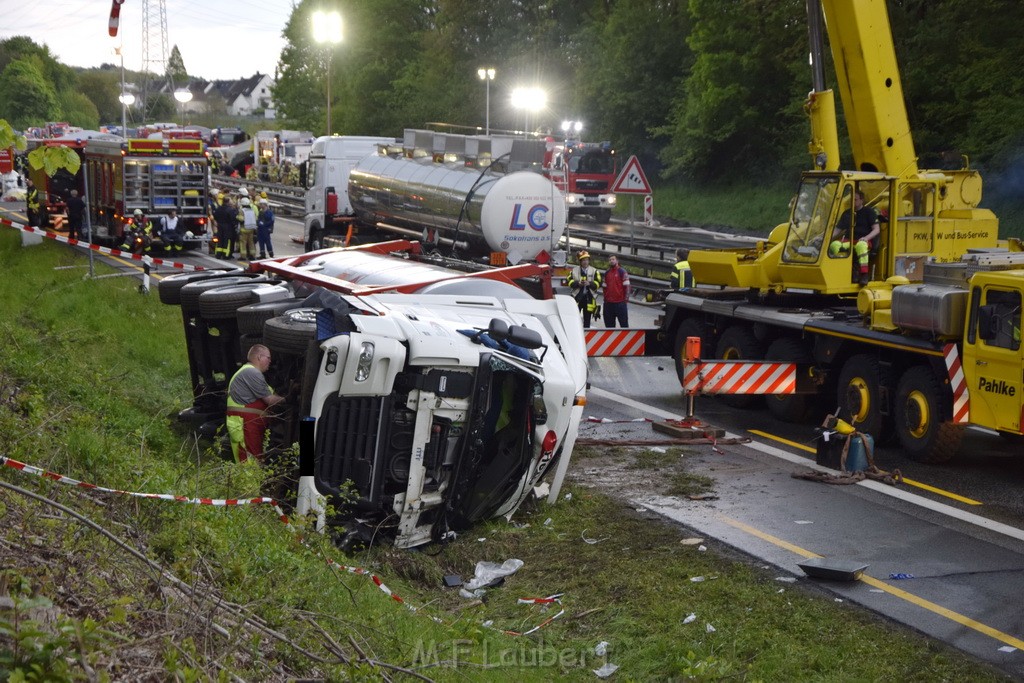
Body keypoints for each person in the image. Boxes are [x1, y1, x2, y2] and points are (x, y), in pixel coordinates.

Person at [226, 344, 284, 463]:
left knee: (254, 458)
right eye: (268, 358)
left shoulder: (251, 374)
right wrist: (289, 399)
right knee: (249, 461)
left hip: (249, 423)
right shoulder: (252, 373)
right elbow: (270, 400)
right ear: (259, 357)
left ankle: (255, 481)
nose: (270, 361)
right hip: (246, 422)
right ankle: (251, 482)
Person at [828, 190, 880, 285]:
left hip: (863, 240)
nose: (853, 201)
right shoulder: (847, 213)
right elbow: (838, 229)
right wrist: (826, 239)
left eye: (855, 199)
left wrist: (866, 238)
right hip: (849, 240)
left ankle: (864, 274)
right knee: (834, 245)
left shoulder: (869, 212)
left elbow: (876, 229)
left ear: (861, 200)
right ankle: (845, 271)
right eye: (852, 199)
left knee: (861, 246)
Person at [567, 250, 601, 329]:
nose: (585, 262)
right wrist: (578, 284)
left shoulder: (594, 271)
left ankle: (586, 338)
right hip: (577, 298)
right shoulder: (574, 270)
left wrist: (590, 284)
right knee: (573, 319)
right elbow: (569, 281)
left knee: (587, 321)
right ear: (580, 261)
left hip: (588, 299)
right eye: (583, 260)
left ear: (589, 260)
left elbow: (599, 283)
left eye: (586, 260)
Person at [602, 255, 631, 328]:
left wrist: (626, 300)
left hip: (620, 303)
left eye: (613, 259)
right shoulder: (607, 272)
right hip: (609, 304)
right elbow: (604, 288)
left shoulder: (622, 271)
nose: (611, 261)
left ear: (617, 261)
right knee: (609, 328)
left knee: (624, 326)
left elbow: (627, 286)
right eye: (610, 260)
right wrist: (605, 299)